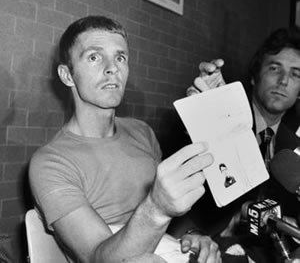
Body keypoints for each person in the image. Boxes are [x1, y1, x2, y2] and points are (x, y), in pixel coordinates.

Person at [29, 15, 221, 263]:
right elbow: (98, 258)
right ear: (67, 75)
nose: (112, 68)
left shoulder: (142, 132)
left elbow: (171, 219)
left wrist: (193, 236)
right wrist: (157, 207)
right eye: (94, 57)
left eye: (120, 57)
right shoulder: (50, 162)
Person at [187, 27, 300, 261]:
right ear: (254, 75)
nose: (284, 80)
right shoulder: (221, 118)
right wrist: (203, 113)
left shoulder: (294, 147)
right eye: (274, 68)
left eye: (296, 74)